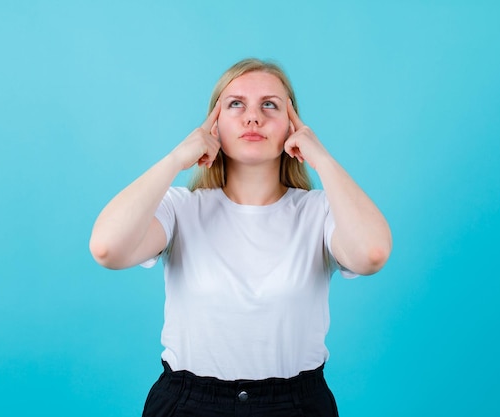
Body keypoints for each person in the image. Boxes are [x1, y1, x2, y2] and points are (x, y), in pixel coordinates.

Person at [89, 58, 392, 417]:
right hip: (189, 404)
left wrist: (322, 159)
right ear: (214, 125)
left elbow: (372, 253)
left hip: (296, 405)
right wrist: (175, 159)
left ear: (292, 126)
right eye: (236, 104)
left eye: (270, 105)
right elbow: (107, 248)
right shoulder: (179, 208)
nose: (253, 117)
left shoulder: (321, 212)